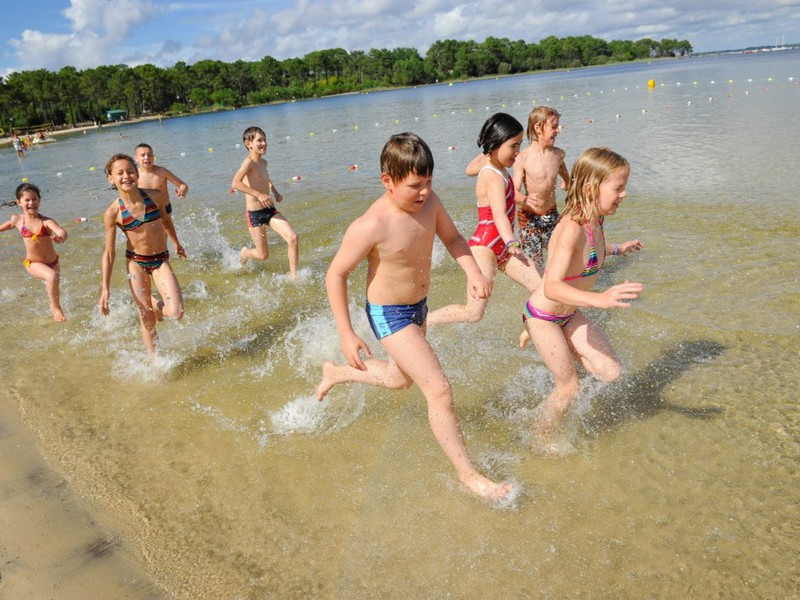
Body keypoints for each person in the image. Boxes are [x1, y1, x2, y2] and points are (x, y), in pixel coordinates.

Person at [316, 132, 518, 507]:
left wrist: (473, 272)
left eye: (429, 182)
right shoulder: (371, 224)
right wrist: (346, 333)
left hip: (418, 305)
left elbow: (454, 239)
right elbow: (335, 275)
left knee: (399, 380)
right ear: (387, 181)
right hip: (389, 314)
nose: (424, 192)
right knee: (438, 389)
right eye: (414, 186)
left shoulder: (431, 203)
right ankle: (468, 475)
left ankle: (337, 373)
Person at [522, 147, 643, 452]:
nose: (624, 194)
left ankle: (561, 356)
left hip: (567, 314)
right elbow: (552, 286)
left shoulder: (596, 221)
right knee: (569, 388)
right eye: (618, 188)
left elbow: (591, 253)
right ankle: (537, 439)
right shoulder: (570, 229)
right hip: (544, 317)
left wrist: (619, 249)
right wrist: (599, 299)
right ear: (591, 189)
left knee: (611, 372)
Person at [426, 113, 541, 327]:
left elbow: (469, 169)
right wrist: (511, 242)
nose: (518, 152)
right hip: (486, 247)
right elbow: (499, 215)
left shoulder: (492, 165)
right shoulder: (493, 176)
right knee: (473, 313)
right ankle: (425, 322)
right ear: (497, 143)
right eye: (513, 146)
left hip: (501, 245)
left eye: (519, 145)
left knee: (541, 287)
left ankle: (537, 327)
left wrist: (489, 150)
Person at [99, 154, 186, 360]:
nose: (126, 176)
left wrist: (177, 243)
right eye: (120, 173)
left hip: (160, 260)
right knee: (147, 318)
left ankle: (155, 304)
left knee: (176, 312)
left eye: (130, 171)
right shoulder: (113, 212)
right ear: (111, 179)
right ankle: (156, 361)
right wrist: (105, 288)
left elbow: (166, 222)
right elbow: (109, 253)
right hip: (136, 263)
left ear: (137, 174)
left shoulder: (155, 196)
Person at [232, 126, 299, 279]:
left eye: (265, 140)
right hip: (254, 214)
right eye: (259, 140)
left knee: (293, 237)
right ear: (248, 144)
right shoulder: (248, 163)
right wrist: (258, 194)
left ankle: (294, 277)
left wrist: (274, 191)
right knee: (263, 255)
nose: (264, 143)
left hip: (269, 209)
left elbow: (264, 178)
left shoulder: (263, 163)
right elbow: (235, 183)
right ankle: (246, 252)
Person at [0, 183, 68, 321]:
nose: (31, 203)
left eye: (34, 199)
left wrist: (61, 237)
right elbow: (5, 226)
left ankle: (53, 305)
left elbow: (62, 231)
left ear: (39, 200)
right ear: (19, 202)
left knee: (54, 286)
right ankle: (56, 310)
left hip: (53, 262)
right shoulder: (18, 220)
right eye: (27, 200)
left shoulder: (46, 221)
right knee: (52, 277)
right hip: (32, 263)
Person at [134, 143, 189, 222]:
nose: (147, 158)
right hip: (146, 212)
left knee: (167, 228)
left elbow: (183, 185)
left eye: (150, 155)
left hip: (164, 209)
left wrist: (182, 191)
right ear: (136, 158)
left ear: (153, 157)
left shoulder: (162, 171)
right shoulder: (134, 176)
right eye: (143, 155)